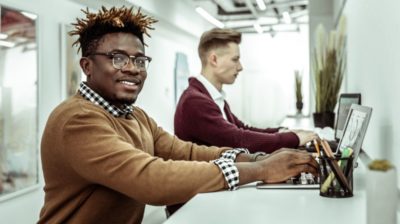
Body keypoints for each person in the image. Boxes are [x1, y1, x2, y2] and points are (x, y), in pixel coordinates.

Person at [38, 6, 318, 224]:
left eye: (139, 60)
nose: (133, 68)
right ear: (87, 65)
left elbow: (185, 152)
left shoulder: (135, 116)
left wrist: (259, 158)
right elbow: (150, 178)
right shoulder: (76, 120)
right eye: (118, 58)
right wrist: (261, 170)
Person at [174, 28, 317, 154]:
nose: (240, 67)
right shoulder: (195, 101)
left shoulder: (212, 98)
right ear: (214, 60)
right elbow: (238, 140)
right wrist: (293, 138)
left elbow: (242, 128)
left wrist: (281, 132)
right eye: (235, 59)